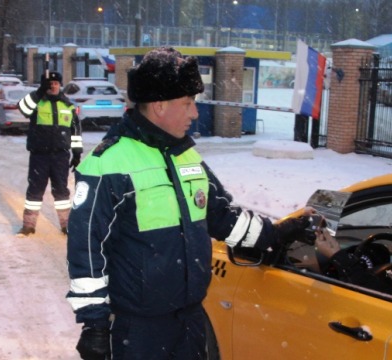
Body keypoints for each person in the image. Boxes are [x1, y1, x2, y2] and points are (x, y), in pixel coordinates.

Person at [66, 47, 315, 360]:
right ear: (158, 106)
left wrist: (276, 233)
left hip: (191, 321)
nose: (195, 113)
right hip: (137, 331)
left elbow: (223, 217)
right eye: (187, 103)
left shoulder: (188, 158)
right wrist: (94, 324)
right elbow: (86, 250)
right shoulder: (106, 164)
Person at [16, 71, 83, 237]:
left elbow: (75, 132)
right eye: (49, 83)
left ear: (60, 85)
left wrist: (76, 154)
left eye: (55, 83)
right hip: (39, 155)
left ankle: (67, 225)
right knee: (35, 190)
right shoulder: (37, 102)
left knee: (61, 191)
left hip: (60, 155)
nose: (53, 86)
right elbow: (22, 108)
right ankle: (28, 225)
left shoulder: (68, 106)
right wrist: (39, 92)